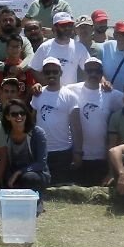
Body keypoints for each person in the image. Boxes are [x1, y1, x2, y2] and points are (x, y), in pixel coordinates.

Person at [68, 57, 123, 186]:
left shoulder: (110, 93)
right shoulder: (71, 90)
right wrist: (36, 87)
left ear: (101, 73)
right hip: (78, 154)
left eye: (97, 71)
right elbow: (50, 91)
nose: (93, 74)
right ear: (84, 72)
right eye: (89, 70)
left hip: (101, 156)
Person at [29, 57, 78, 185]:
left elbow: (76, 127)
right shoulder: (37, 94)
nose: (51, 75)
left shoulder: (70, 95)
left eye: (55, 71)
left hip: (63, 150)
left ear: (60, 73)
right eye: (47, 72)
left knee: (60, 186)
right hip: (41, 149)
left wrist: (77, 152)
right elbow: (31, 121)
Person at [1, 98, 49, 202]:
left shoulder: (37, 133)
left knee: (29, 177)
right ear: (7, 117)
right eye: (14, 114)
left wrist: (19, 172)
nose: (19, 116)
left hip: (35, 174)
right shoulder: (4, 135)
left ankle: (36, 203)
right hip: (12, 173)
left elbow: (41, 163)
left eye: (22, 113)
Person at [29, 13, 90, 86]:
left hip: (69, 94)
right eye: (63, 26)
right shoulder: (45, 47)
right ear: (54, 28)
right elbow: (34, 69)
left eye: (69, 25)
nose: (67, 28)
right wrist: (47, 84)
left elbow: (90, 68)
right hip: (51, 93)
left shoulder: (79, 47)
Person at [0, 6, 27, 85]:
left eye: (10, 20)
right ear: (0, 22)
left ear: (15, 21)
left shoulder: (24, 40)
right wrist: (8, 68)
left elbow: (30, 57)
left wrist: (19, 68)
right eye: (4, 20)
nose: (8, 22)